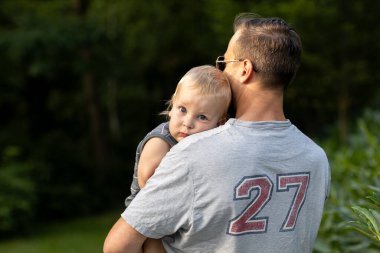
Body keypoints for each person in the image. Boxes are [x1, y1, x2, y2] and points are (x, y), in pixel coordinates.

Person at [104, 13, 330, 253]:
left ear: (245, 69)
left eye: (225, 63)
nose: (219, 71)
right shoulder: (317, 159)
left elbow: (117, 246)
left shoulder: (193, 153)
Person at [119, 65, 232, 253]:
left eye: (202, 117)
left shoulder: (201, 144)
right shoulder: (161, 141)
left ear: (219, 123)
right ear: (171, 105)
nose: (188, 122)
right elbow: (151, 187)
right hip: (149, 224)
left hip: (175, 220)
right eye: (182, 109)